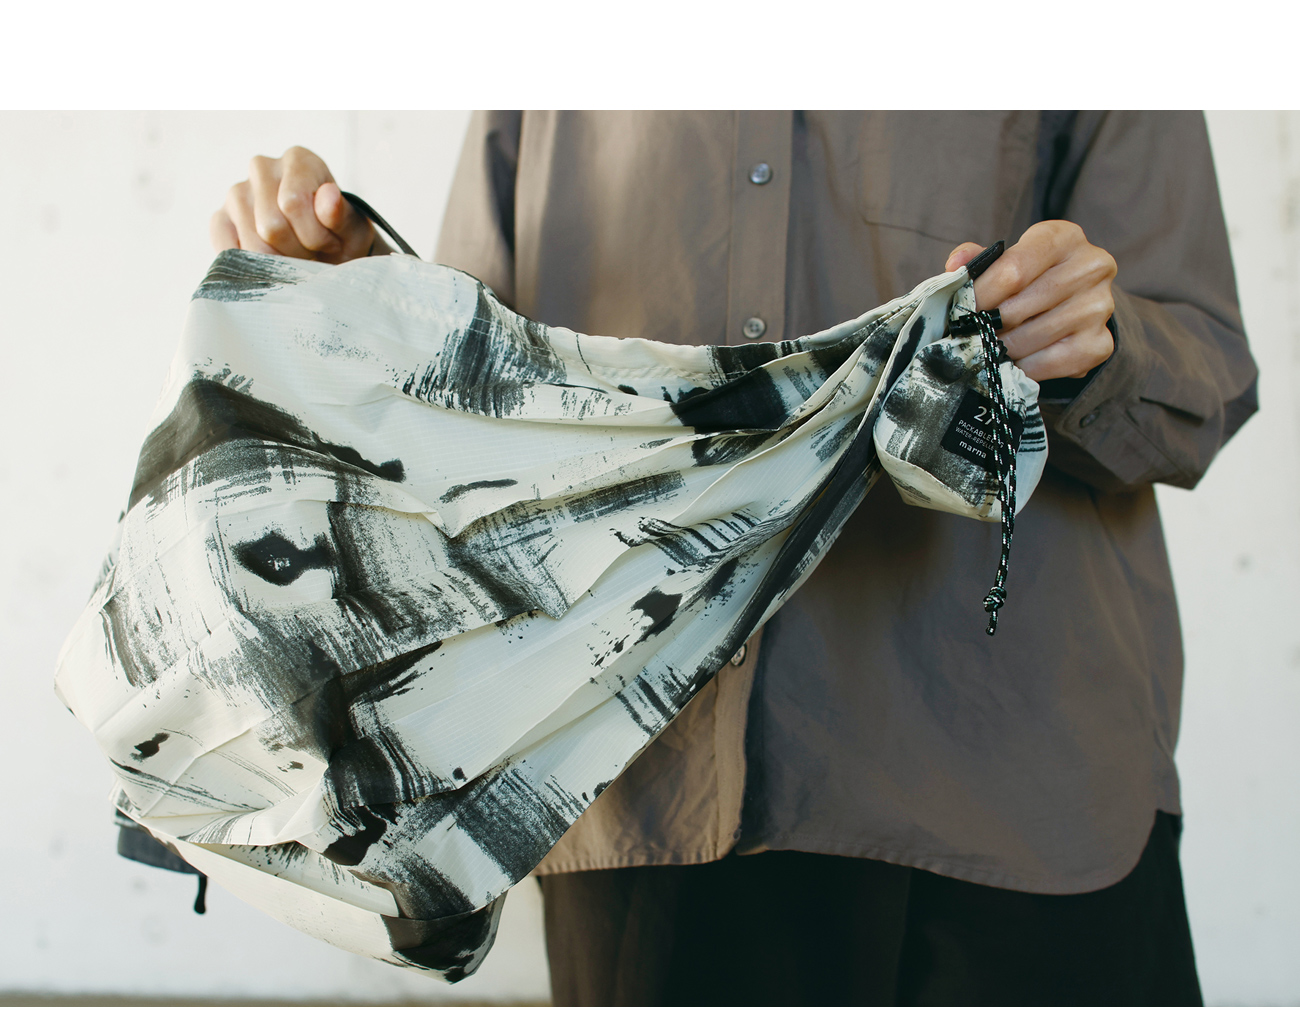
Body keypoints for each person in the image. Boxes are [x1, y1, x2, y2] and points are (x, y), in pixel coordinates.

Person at [212, 111, 1257, 1006]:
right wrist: (348, 298)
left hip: (1009, 783)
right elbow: (471, 414)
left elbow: (1202, 382)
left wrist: (1090, 336)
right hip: (645, 785)